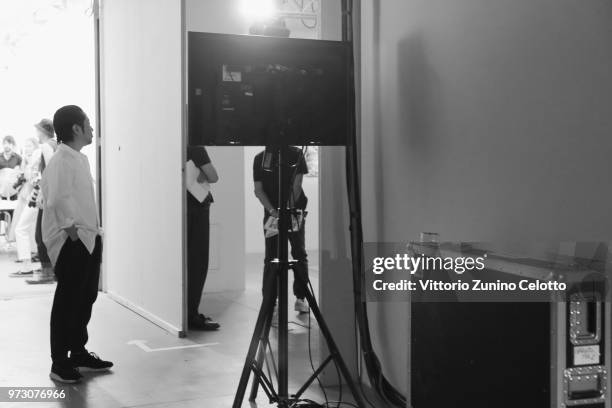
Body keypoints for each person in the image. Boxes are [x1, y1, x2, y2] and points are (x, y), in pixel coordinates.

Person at [42, 105, 111, 383]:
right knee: (67, 302)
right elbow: (56, 200)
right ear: (76, 129)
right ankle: (59, 363)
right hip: (74, 241)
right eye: (88, 124)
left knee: (85, 299)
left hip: (88, 238)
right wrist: (73, 235)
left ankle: (78, 353)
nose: (92, 129)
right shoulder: (61, 160)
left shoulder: (78, 159)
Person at [253, 146, 310, 314]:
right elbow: (296, 186)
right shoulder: (296, 153)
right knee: (299, 254)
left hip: (274, 214)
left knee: (272, 256)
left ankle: (270, 300)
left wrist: (273, 212)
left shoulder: (260, 157)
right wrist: (286, 210)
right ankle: (300, 299)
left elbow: (258, 191)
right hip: (292, 213)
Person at [187, 145, 220, 330]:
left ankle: (185, 313)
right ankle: (192, 314)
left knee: (186, 263)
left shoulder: (174, 143)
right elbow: (214, 176)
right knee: (198, 262)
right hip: (197, 206)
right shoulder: (197, 149)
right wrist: (203, 174)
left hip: (182, 207)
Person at [27, 119, 57, 284]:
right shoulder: (55, 144)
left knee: (41, 235)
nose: (36, 134)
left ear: (43, 131)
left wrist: (43, 194)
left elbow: (51, 170)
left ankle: (47, 273)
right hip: (53, 195)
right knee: (48, 234)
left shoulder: (46, 146)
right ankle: (50, 271)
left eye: (37, 131)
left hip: (48, 196)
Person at [10, 137, 42, 277]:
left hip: (35, 197)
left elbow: (34, 178)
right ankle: (30, 265)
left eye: (29, 145)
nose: (27, 148)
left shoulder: (38, 155)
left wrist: (28, 167)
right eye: (26, 146)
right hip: (31, 197)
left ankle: (27, 266)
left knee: (23, 229)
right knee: (28, 230)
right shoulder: (31, 158)